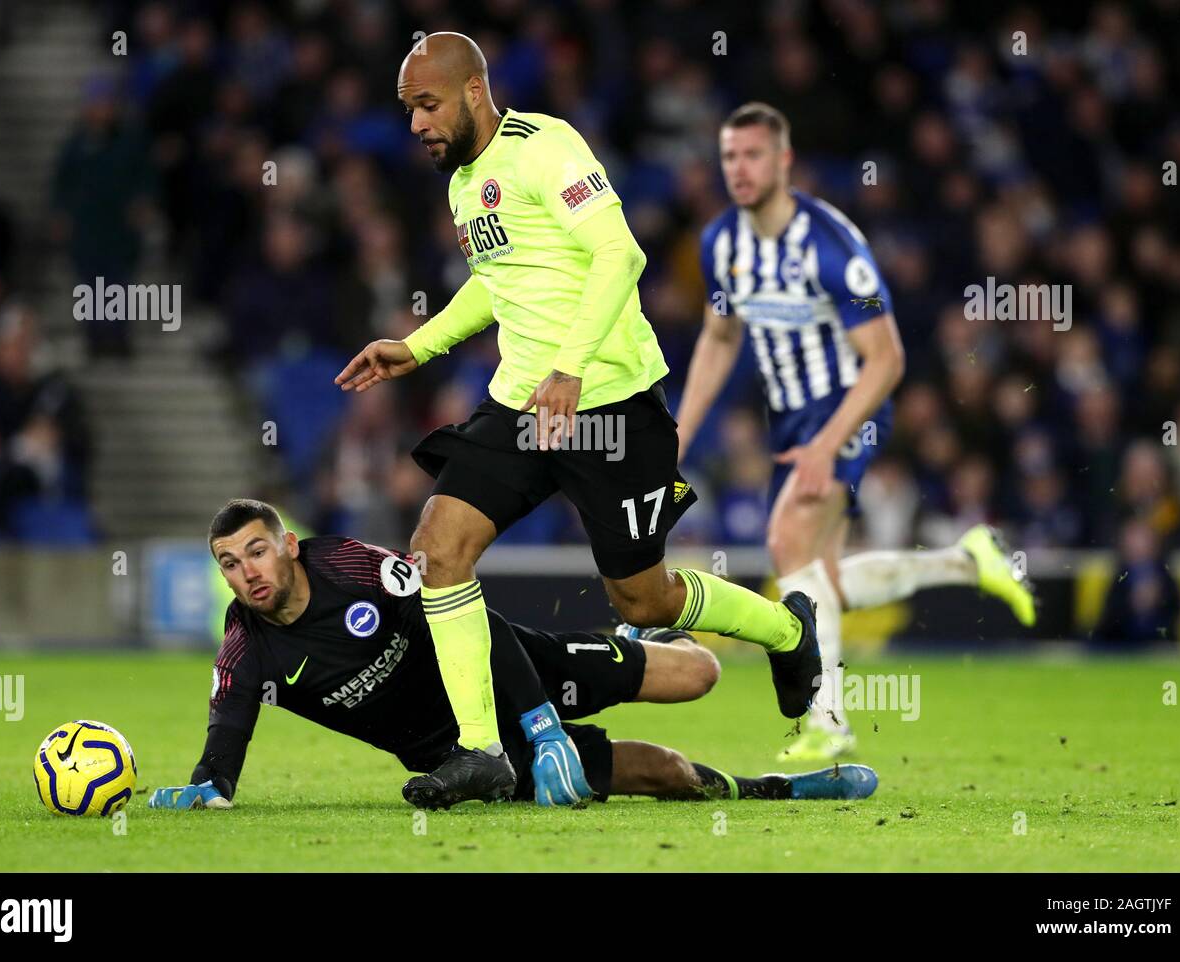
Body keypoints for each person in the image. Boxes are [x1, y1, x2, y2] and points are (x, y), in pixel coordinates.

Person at [333, 36, 822, 804]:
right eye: (407, 111)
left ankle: (788, 631)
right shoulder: (465, 183)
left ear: (471, 93)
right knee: (438, 548)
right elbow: (499, 283)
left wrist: (570, 367)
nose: (417, 124)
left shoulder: (547, 147)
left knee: (643, 600)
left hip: (612, 407)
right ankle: (481, 751)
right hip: (525, 407)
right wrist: (419, 346)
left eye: (427, 105)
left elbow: (619, 256)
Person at [676, 103, 1036, 760]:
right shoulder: (721, 243)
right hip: (791, 419)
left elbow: (889, 359)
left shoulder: (830, 244)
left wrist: (824, 443)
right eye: (729, 156)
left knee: (786, 545)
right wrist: (679, 432)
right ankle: (968, 560)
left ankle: (828, 722)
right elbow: (720, 337)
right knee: (823, 582)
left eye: (754, 155)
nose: (740, 168)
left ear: (784, 162)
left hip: (850, 406)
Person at [149, 499, 877, 810]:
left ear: (285, 545)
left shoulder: (351, 564)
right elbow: (226, 740)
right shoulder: (246, 648)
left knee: (700, 674)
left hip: (512, 665)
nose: (246, 572)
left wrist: (539, 722)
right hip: (462, 751)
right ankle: (780, 790)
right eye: (228, 562)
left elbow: (469, 618)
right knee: (660, 773)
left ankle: (745, 632)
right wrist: (206, 788)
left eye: (255, 551)